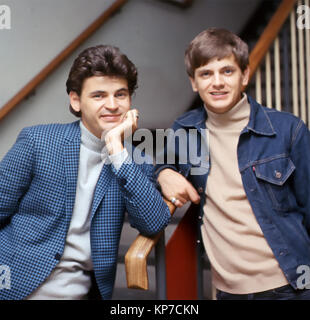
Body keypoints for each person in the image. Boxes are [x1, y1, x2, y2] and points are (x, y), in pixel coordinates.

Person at [0, 45, 171, 300]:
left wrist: (116, 149)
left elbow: (154, 222)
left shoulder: (135, 160)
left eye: (120, 95)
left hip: (80, 292)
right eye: (99, 96)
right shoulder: (38, 142)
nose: (112, 105)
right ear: (76, 101)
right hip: (14, 286)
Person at [155, 28, 310, 300]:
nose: (217, 82)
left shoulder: (289, 130)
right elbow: (154, 167)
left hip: (290, 286)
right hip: (228, 291)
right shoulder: (185, 130)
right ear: (194, 82)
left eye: (227, 71)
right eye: (206, 74)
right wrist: (163, 172)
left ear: (245, 76)